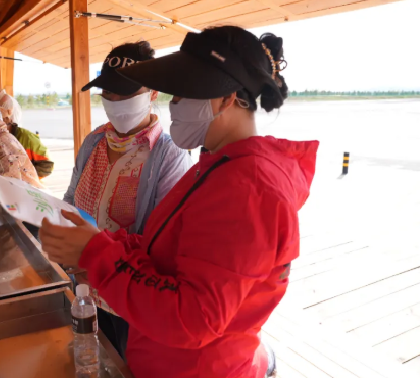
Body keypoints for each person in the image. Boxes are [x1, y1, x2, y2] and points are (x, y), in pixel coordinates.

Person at [39, 26, 319, 378]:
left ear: (227, 98)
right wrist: (99, 241)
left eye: (184, 93)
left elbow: (194, 318)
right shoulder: (217, 166)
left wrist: (95, 254)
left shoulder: (247, 189)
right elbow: (164, 251)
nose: (173, 105)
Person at [64, 41, 192, 359]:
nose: (116, 102)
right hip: (83, 290)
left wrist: (94, 255)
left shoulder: (169, 155)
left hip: (128, 301)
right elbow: (70, 201)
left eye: (126, 92)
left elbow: (160, 243)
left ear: (153, 92)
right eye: (109, 93)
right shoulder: (93, 142)